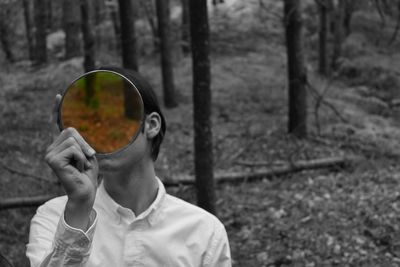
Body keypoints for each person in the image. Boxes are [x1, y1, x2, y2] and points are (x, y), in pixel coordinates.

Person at [26, 67, 231, 267]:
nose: (100, 135)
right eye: (89, 124)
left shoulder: (204, 232)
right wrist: (79, 207)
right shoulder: (55, 217)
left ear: (151, 125)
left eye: (114, 121)